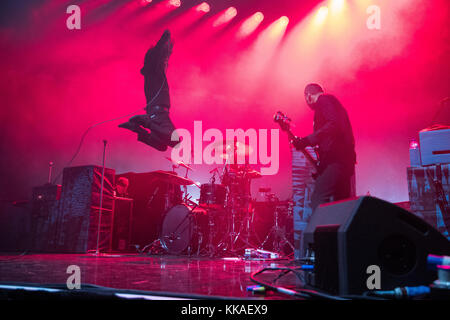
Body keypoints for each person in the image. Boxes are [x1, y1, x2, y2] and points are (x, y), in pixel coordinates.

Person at [293, 83, 356, 211]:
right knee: (341, 205)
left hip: (336, 161)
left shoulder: (324, 101)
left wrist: (307, 140)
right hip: (344, 160)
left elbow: (333, 124)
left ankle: (319, 231)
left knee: (318, 200)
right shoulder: (334, 104)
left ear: (308, 96)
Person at [119, 29, 179, 151]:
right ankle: (138, 127)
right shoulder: (155, 73)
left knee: (170, 144)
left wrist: (164, 41)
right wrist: (165, 43)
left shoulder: (154, 73)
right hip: (157, 115)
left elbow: (157, 56)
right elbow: (157, 57)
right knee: (164, 147)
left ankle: (142, 124)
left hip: (157, 114)